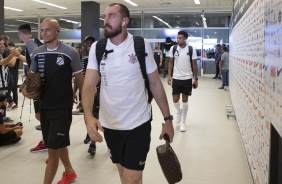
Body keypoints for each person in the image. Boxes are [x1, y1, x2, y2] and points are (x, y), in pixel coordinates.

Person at [82, 3, 174, 184]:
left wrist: (168, 119)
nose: (105, 21)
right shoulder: (97, 48)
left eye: (111, 16)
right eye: (105, 16)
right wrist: (88, 116)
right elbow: (89, 85)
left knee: (131, 179)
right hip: (110, 125)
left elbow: (155, 84)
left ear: (124, 21)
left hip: (138, 123)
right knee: (125, 175)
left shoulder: (140, 46)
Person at [24, 18, 84, 184]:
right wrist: (27, 91)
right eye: (42, 30)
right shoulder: (37, 52)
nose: (44, 34)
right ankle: (70, 172)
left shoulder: (70, 52)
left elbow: (79, 79)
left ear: (58, 31)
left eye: (48, 30)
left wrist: (86, 101)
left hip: (62, 107)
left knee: (52, 152)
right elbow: (32, 79)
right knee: (57, 144)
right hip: (44, 106)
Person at [17, 23, 48, 152]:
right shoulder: (35, 41)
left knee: (39, 114)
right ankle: (47, 139)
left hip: (37, 83)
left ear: (20, 33)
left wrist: (28, 81)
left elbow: (35, 60)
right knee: (41, 113)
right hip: (42, 81)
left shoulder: (29, 43)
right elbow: (31, 60)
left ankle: (47, 139)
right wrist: (18, 56)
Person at [167, 30, 198, 132]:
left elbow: (194, 65)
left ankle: (183, 122)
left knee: (185, 102)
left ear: (185, 38)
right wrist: (169, 76)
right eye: (177, 38)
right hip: (176, 78)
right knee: (175, 101)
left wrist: (195, 79)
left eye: (180, 38)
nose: (178, 39)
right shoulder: (173, 48)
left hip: (187, 79)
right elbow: (170, 63)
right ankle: (179, 112)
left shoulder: (191, 49)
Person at [73, 36, 98, 155]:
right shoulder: (80, 58)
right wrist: (74, 92)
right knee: (86, 114)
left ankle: (93, 143)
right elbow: (78, 78)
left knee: (95, 114)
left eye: (91, 43)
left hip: (96, 91)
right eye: (86, 43)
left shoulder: (98, 57)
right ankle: (89, 132)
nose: (88, 45)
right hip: (83, 91)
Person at [6, 42, 20, 110]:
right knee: (10, 89)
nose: (11, 51)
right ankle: (12, 103)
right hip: (10, 72)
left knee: (13, 89)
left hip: (14, 72)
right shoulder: (10, 55)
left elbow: (14, 64)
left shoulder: (16, 56)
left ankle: (13, 103)